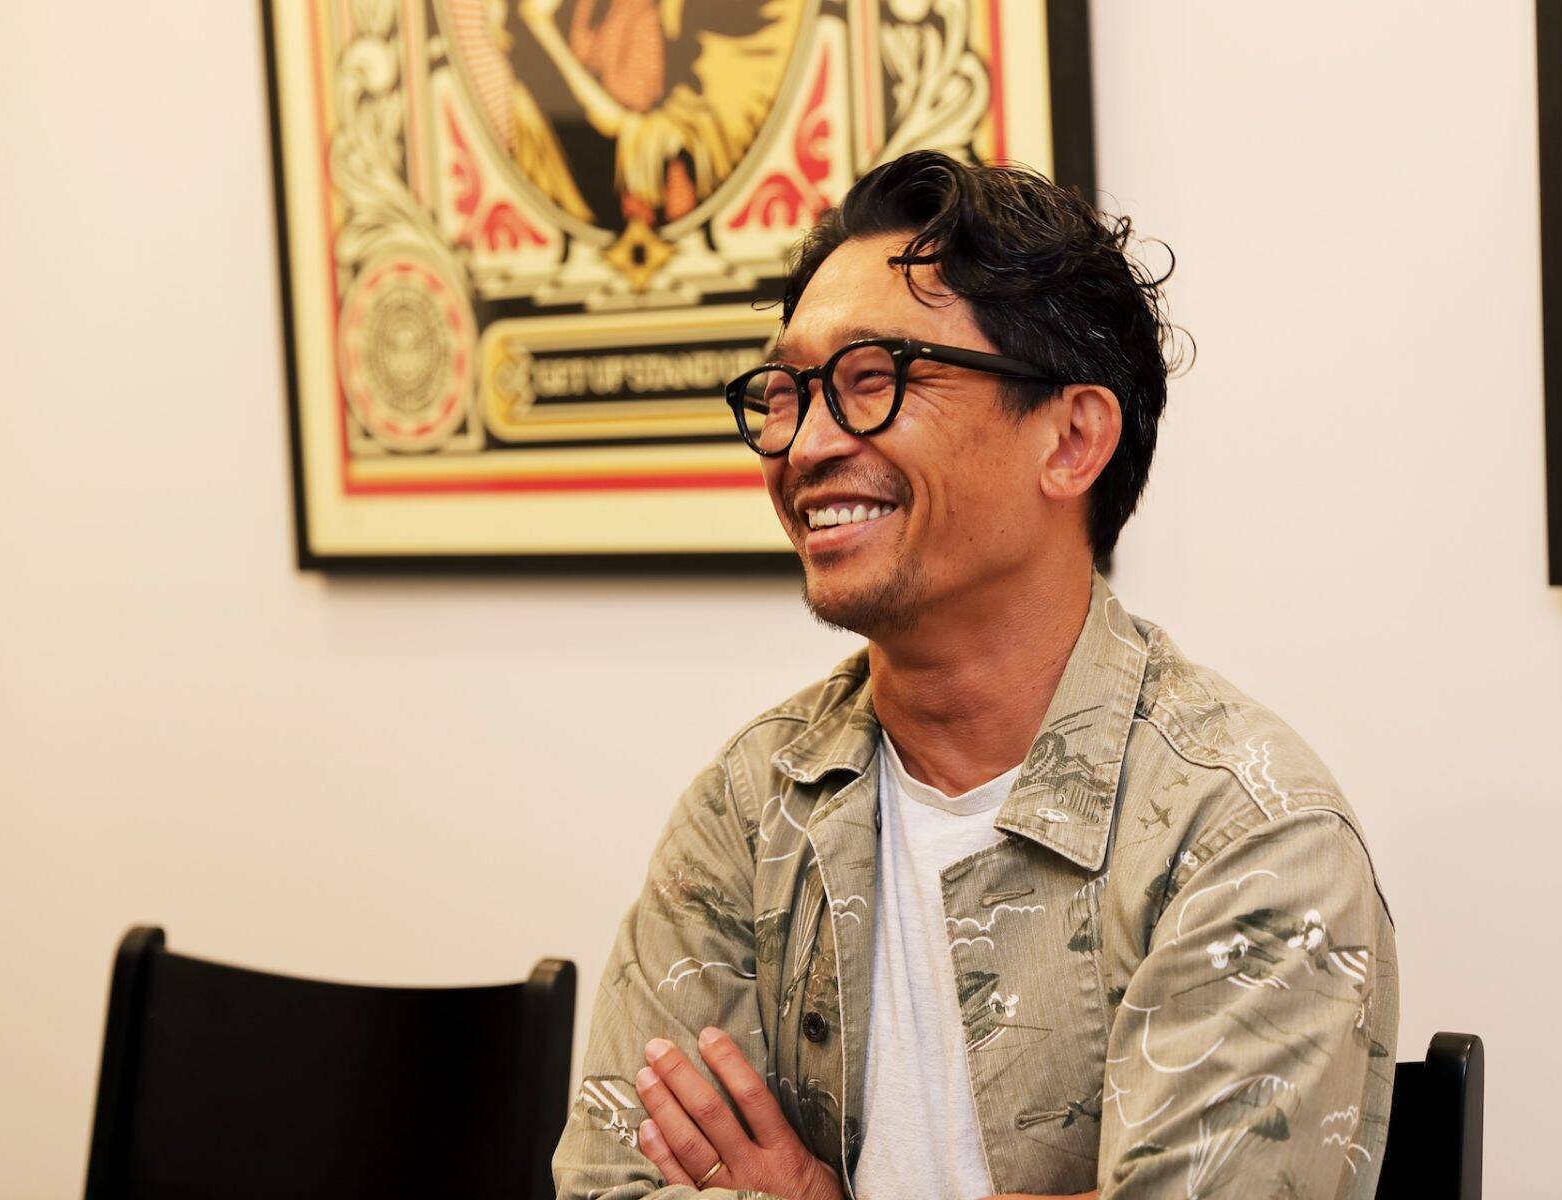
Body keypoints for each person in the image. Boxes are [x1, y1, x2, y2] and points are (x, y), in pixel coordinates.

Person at [552, 150, 1398, 1200]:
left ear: (1072, 439)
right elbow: (606, 1184)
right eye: (786, 392)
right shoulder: (752, 806)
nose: (804, 444)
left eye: (872, 380)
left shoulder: (1244, 835)